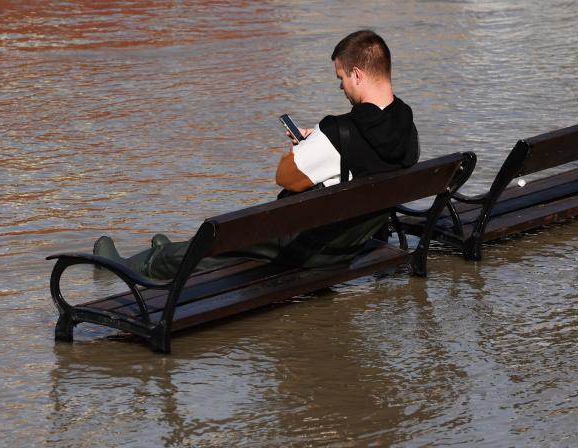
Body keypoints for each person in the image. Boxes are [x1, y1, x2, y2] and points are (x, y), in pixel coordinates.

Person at [93, 30, 420, 280]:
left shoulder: (340, 132)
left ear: (358, 74)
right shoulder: (406, 123)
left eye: (342, 79)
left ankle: (127, 266)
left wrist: (308, 145)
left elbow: (286, 177)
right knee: (231, 248)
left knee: (218, 242)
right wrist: (318, 142)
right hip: (348, 244)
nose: (341, 88)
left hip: (310, 248)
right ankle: (167, 250)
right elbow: (359, 161)